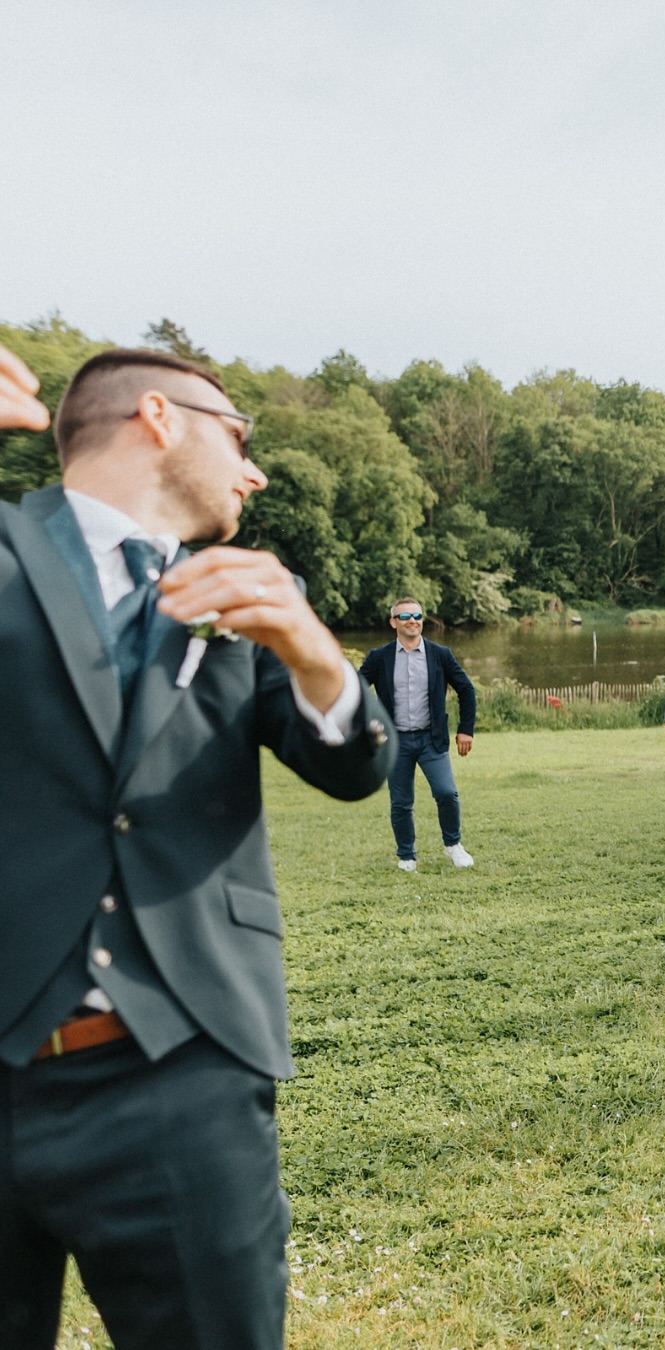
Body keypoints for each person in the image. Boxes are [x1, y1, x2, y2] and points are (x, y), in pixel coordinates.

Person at [0, 345, 395, 1348]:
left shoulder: (262, 597)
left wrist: (313, 655)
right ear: (159, 415)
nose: (255, 472)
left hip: (185, 1072)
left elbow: (352, 770)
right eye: (242, 435)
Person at [360, 600, 477, 871]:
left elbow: (466, 690)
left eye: (417, 615)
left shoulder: (440, 654)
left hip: (431, 739)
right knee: (401, 802)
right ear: (394, 622)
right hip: (395, 742)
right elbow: (355, 690)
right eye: (405, 616)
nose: (412, 620)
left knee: (446, 792)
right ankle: (407, 856)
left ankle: (453, 845)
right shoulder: (380, 657)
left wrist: (465, 730)